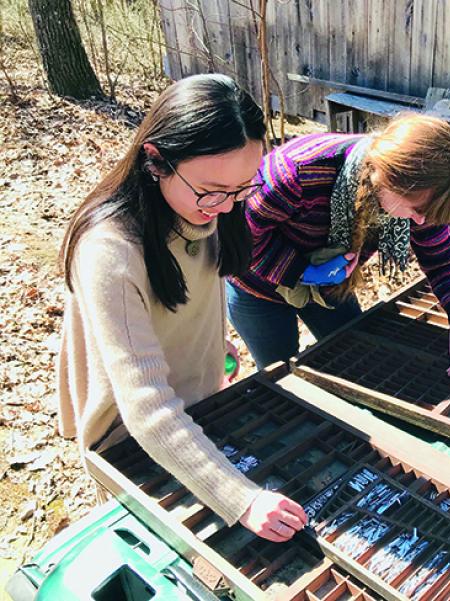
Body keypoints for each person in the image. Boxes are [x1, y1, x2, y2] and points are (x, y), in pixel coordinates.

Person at [57, 74, 307, 543]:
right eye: (212, 190)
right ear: (156, 161)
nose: (225, 207)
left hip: (198, 407)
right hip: (128, 438)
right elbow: (145, 406)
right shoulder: (109, 251)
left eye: (241, 191)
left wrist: (217, 344)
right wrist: (243, 499)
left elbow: (193, 298)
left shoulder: (205, 210)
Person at [227, 113, 450, 375]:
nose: (421, 220)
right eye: (415, 210)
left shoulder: (421, 195)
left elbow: (443, 260)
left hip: (331, 287)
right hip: (257, 287)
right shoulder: (295, 173)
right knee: (279, 375)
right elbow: (239, 239)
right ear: (388, 179)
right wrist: (299, 270)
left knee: (353, 360)